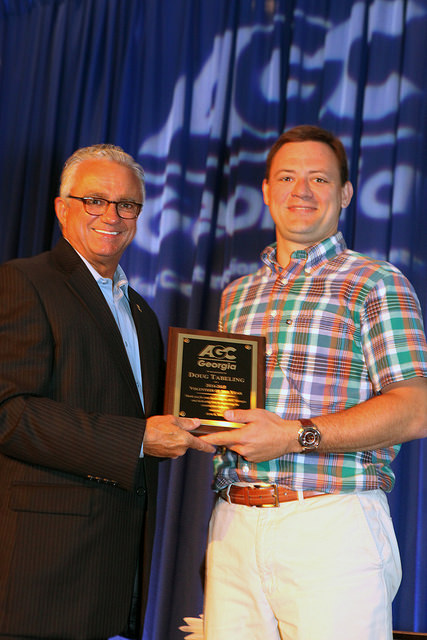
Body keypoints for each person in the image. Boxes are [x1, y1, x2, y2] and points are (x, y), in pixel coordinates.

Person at [200, 125, 427, 640]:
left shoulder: (376, 282)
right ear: (266, 190)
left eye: (318, 178)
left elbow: (415, 409)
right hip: (234, 521)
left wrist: (292, 434)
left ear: (345, 193)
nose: (301, 191)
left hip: (333, 525)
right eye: (287, 177)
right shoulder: (238, 294)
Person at [0, 144, 215, 640]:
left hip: (109, 572)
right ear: (62, 208)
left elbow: (152, 417)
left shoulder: (140, 312)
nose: (112, 216)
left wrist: (214, 420)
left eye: (127, 205)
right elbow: (9, 413)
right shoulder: (22, 282)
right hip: (38, 576)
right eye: (94, 201)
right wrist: (138, 440)